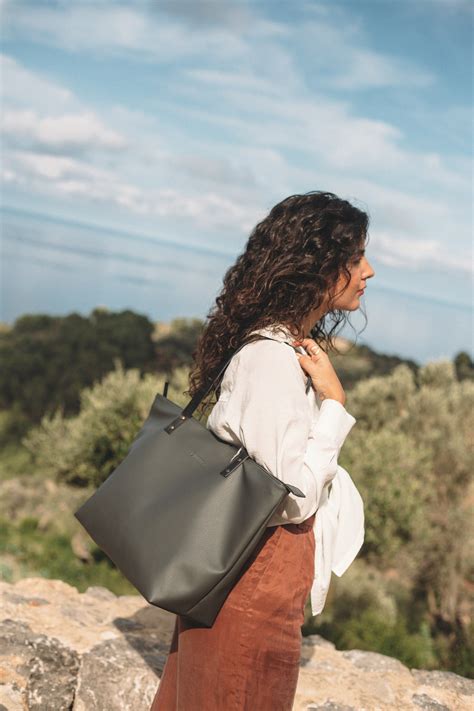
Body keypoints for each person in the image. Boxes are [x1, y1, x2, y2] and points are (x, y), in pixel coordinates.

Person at [150, 190, 376, 711]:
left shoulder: (275, 346)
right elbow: (290, 498)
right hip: (253, 580)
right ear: (321, 267)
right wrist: (335, 405)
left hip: (237, 573)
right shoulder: (272, 361)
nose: (369, 270)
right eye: (357, 256)